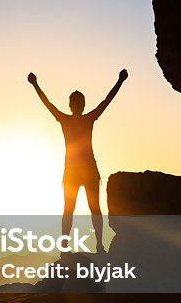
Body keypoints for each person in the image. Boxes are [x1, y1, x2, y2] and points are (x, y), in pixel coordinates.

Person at [28, 69, 128, 253]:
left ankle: (75, 247)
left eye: (77, 102)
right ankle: (92, 246)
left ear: (72, 105)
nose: (77, 105)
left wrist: (35, 84)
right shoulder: (86, 119)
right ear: (79, 105)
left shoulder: (67, 119)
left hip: (77, 172)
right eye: (77, 102)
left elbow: (48, 104)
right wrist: (120, 80)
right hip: (85, 171)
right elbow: (106, 101)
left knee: (76, 210)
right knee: (87, 209)